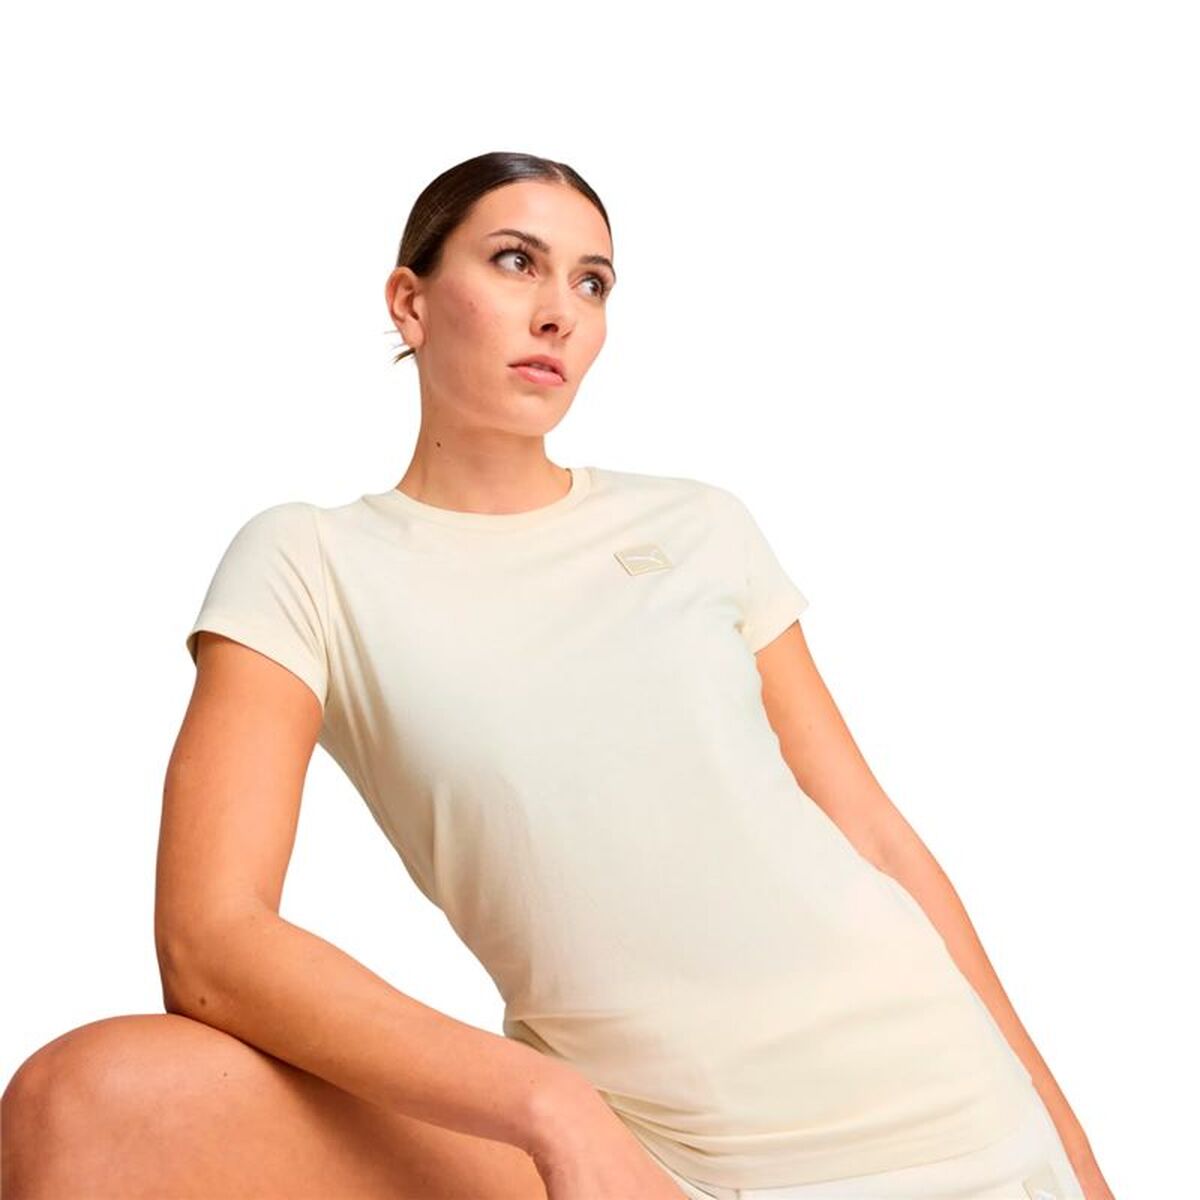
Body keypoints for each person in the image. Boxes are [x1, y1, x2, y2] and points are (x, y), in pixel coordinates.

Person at [0, 151, 1110, 1200]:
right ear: (410, 302)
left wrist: (1072, 1146)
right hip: (644, 1158)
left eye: (592, 282)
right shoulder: (311, 563)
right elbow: (209, 943)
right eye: (514, 261)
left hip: (951, 1121)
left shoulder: (698, 526)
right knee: (92, 1097)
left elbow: (873, 835)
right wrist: (549, 1104)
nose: (559, 313)